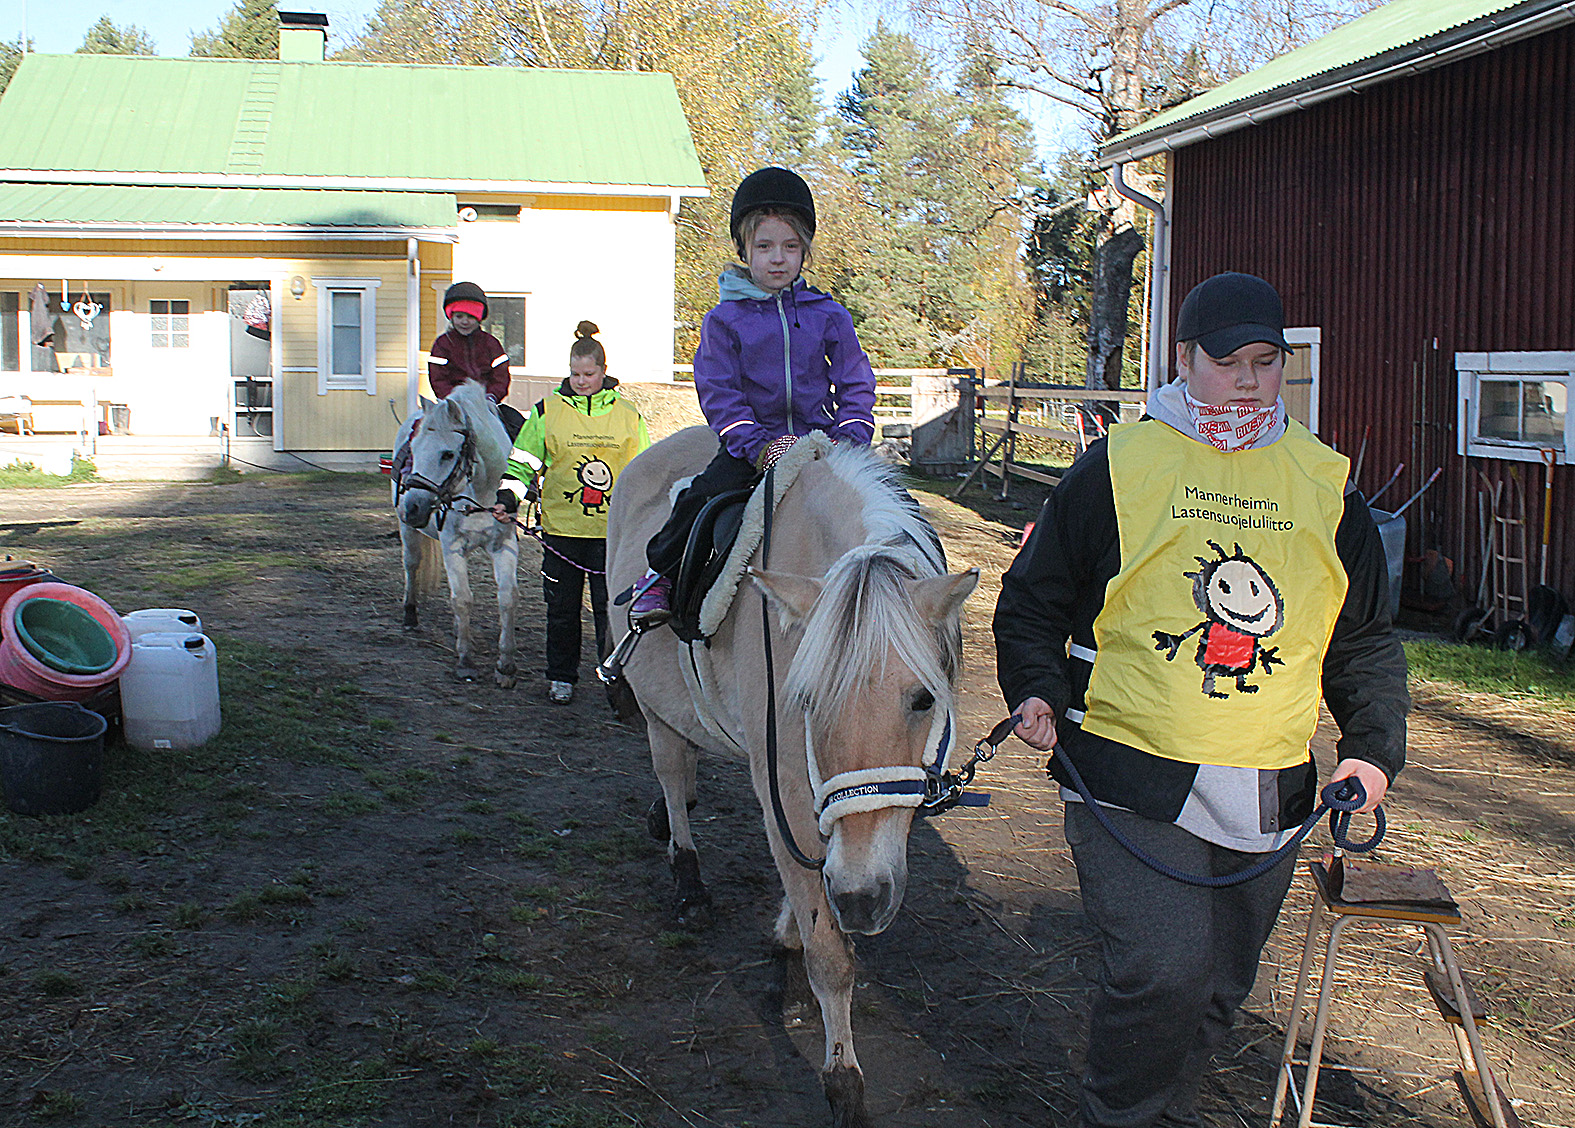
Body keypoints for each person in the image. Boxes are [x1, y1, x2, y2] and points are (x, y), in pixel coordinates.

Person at [992, 272, 1408, 1128]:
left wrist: (1370, 745)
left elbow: (1361, 635)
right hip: (1126, 769)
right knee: (1161, 969)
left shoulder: (1326, 486)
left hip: (1268, 780)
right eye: (1228, 362)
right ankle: (1119, 1114)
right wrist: (1034, 690)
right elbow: (1031, 598)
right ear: (1183, 358)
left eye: (1266, 362)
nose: (1250, 380)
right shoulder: (1118, 465)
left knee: (1221, 982)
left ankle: (1161, 1100)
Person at [628, 167, 877, 625]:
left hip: (823, 445)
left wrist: (851, 434)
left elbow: (855, 379)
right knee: (701, 500)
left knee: (891, 507)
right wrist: (758, 445)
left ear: (804, 250)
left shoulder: (829, 315)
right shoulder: (725, 320)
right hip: (752, 449)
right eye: (764, 247)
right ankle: (660, 574)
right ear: (745, 250)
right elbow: (719, 391)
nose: (777, 259)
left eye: (790, 247)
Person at [495, 321, 649, 704]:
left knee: (610, 612)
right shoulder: (547, 411)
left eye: (589, 374)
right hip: (562, 530)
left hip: (612, 535)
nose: (581, 381)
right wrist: (508, 497)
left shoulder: (629, 415)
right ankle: (562, 676)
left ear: (603, 371)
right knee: (561, 609)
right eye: (575, 374)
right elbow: (523, 462)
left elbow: (644, 472)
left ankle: (614, 677)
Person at [429, 281, 524, 438]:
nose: (465, 322)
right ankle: (408, 460)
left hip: (485, 404)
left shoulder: (491, 344)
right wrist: (451, 399)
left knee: (517, 429)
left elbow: (500, 377)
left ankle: (517, 460)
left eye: (471, 316)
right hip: (452, 404)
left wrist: (491, 397)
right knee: (423, 432)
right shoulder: (443, 344)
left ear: (479, 318)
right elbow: (437, 377)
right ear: (451, 316)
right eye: (459, 316)